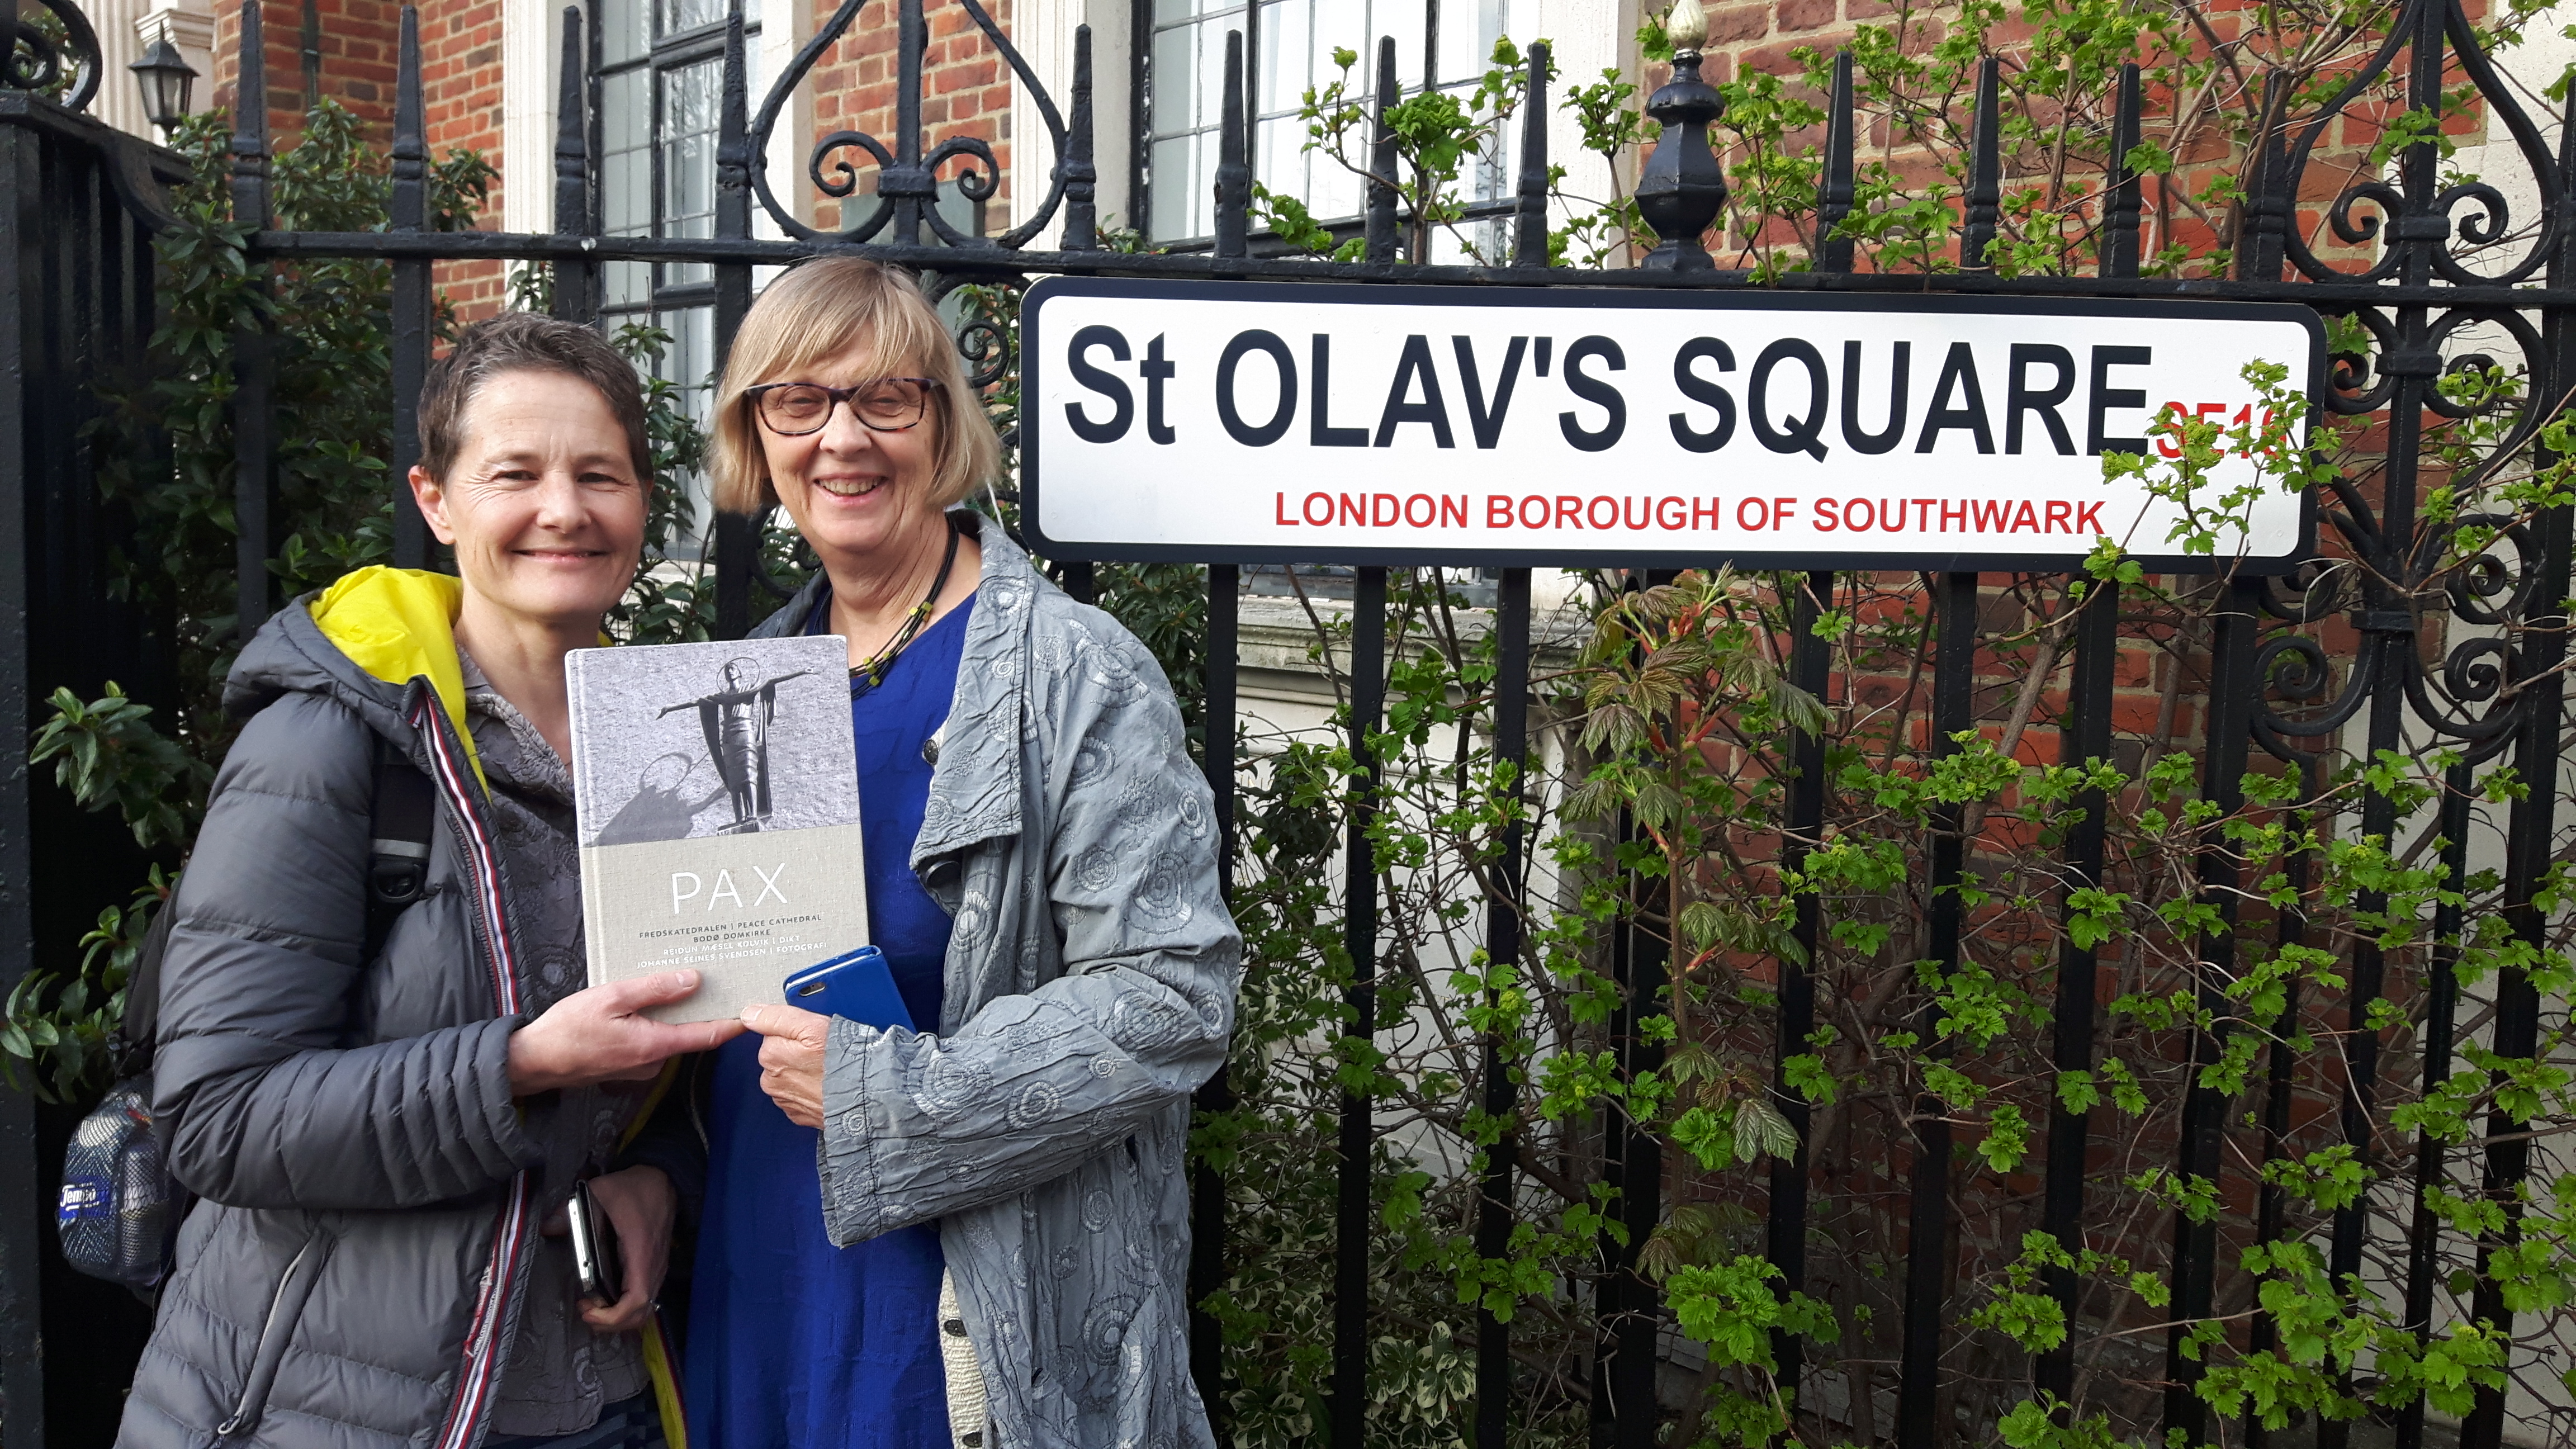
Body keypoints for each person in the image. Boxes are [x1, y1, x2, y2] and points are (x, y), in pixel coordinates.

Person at [116, 313, 742, 1449]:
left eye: (599, 475)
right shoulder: (334, 737)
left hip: (606, 1400)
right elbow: (216, 1117)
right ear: (436, 500)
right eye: (516, 474)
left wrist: (662, 1180)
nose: (564, 509)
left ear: (644, 503)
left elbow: (699, 1058)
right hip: (338, 1409)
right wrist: (523, 1063)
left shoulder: (677, 742)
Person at [693, 255, 1240, 1449]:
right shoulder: (742, 681)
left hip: (963, 1307)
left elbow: (1172, 995)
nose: (842, 438)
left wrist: (883, 1096)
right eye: (799, 401)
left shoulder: (1076, 671)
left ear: (942, 423)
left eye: (886, 398)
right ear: (755, 434)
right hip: (758, 1260)